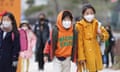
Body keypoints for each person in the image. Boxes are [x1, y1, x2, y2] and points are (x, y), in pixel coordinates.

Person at [76, 4, 109, 72]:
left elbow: (106, 36)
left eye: (91, 13)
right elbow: (80, 42)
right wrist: (81, 57)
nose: (89, 15)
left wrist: (100, 33)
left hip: (96, 53)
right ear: (83, 14)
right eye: (87, 13)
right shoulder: (79, 26)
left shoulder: (97, 24)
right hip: (86, 55)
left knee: (95, 69)